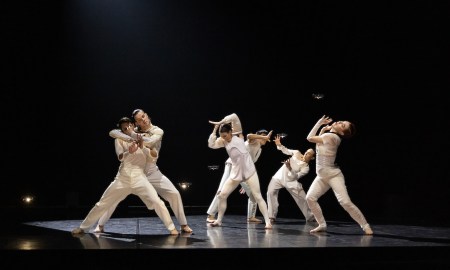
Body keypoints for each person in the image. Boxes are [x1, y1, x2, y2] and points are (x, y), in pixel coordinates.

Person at [71, 117, 179, 235]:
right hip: (123, 177)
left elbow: (154, 155)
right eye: (124, 128)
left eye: (129, 126)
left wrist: (142, 146)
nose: (127, 128)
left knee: (158, 202)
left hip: (140, 177)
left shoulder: (143, 138)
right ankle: (83, 227)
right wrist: (129, 151)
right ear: (121, 130)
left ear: (133, 125)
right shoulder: (119, 139)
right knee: (101, 203)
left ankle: (172, 228)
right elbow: (120, 156)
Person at [105, 109, 193, 233]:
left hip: (152, 171)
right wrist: (130, 134)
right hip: (136, 172)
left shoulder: (157, 130)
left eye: (144, 116)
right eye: (139, 120)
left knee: (174, 193)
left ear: (147, 115)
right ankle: (101, 224)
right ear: (136, 123)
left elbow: (150, 142)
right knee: (114, 197)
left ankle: (183, 224)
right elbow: (113, 132)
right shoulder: (132, 131)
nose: (143, 120)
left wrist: (133, 135)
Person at [305, 115, 373, 235]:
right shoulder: (329, 136)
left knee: (345, 202)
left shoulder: (332, 137)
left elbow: (310, 138)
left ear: (341, 132)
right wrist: (322, 130)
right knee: (310, 198)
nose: (340, 121)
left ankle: (365, 226)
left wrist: (319, 123)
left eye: (342, 125)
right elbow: (319, 141)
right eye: (342, 121)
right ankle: (322, 224)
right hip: (322, 176)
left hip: (333, 175)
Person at [206, 113, 272, 224]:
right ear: (259, 135)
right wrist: (220, 123)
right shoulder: (249, 140)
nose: (266, 138)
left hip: (245, 170)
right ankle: (212, 214)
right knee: (222, 191)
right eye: (263, 135)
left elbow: (250, 163)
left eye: (266, 135)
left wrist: (244, 181)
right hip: (232, 166)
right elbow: (247, 133)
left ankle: (251, 216)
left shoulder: (259, 149)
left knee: (253, 194)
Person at [266, 134, 315, 224]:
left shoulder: (306, 168)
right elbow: (286, 150)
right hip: (279, 177)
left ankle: (310, 216)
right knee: (270, 192)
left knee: (303, 198)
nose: (306, 154)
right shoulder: (296, 152)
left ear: (312, 158)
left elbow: (295, 176)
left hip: (291, 181)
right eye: (306, 152)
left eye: (309, 154)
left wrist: (289, 168)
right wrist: (279, 144)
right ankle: (271, 216)